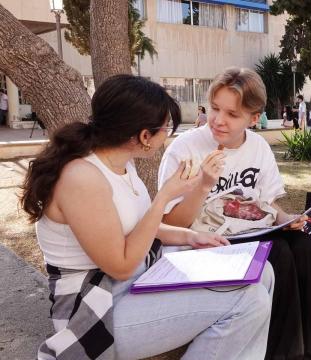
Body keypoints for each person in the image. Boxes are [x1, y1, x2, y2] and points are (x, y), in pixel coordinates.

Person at [20, 75, 273, 359]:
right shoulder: (82, 177)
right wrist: (164, 196)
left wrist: (193, 236)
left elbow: (142, 227)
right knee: (250, 302)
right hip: (94, 307)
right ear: (143, 136)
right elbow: (121, 266)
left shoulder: (122, 164)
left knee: (262, 272)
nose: (168, 134)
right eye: (166, 127)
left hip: (137, 278)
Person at [158, 67, 311, 359]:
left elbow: (267, 204)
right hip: (204, 242)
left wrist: (287, 219)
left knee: (308, 250)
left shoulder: (258, 147)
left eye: (232, 114)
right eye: (214, 109)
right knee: (279, 257)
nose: (218, 120)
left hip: (252, 231)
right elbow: (170, 225)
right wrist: (202, 186)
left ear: (253, 118)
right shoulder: (186, 149)